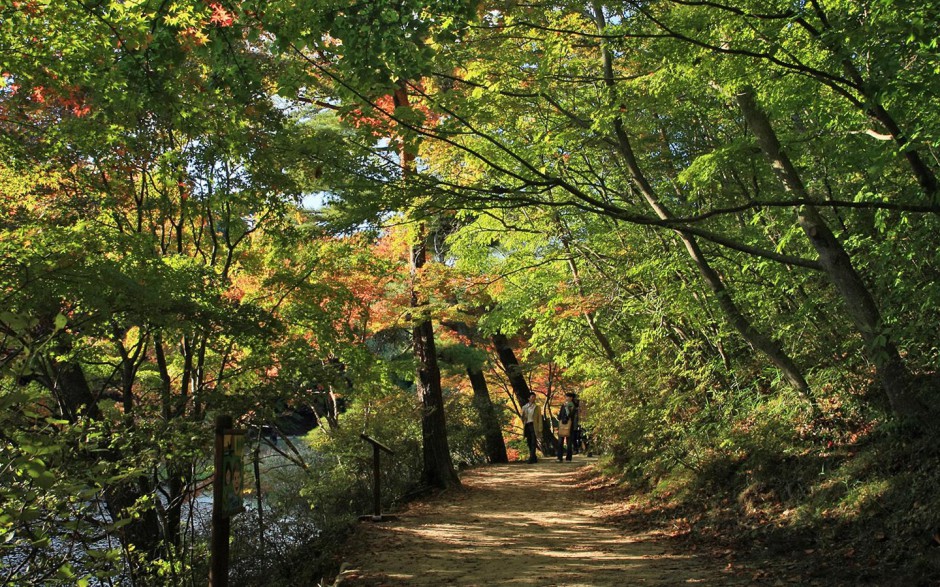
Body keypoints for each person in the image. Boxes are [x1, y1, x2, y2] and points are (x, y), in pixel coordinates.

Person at [556, 392, 578, 461]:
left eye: (568, 397)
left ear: (571, 398)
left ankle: (568, 457)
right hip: (562, 424)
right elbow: (560, 415)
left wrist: (566, 408)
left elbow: (570, 415)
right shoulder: (564, 405)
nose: (566, 398)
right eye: (566, 397)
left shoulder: (573, 406)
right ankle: (559, 457)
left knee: (569, 442)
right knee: (560, 441)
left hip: (570, 425)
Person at [521, 392, 542, 463]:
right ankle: (534, 457)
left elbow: (539, 418)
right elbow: (523, 418)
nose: (533, 398)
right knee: (529, 442)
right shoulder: (524, 407)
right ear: (528, 398)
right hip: (527, 425)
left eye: (534, 397)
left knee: (533, 442)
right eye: (532, 397)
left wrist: (540, 428)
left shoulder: (537, 407)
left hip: (534, 425)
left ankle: (531, 458)